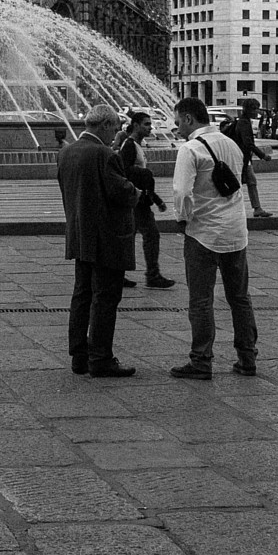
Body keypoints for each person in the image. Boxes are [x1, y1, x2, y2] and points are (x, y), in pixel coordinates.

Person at [167, 96, 257, 378]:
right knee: (239, 297)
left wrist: (182, 219)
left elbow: (182, 192)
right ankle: (247, 358)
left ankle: (201, 361)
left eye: (178, 121)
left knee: (201, 300)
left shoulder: (190, 149)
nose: (176, 127)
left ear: (190, 119)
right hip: (235, 232)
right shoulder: (231, 144)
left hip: (204, 233)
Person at [56, 104, 140, 378]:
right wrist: (137, 191)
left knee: (82, 295)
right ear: (103, 125)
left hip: (80, 234)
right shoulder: (104, 155)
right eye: (114, 129)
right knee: (105, 298)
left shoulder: (66, 152)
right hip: (107, 238)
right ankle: (101, 357)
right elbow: (121, 192)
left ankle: (79, 356)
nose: (115, 136)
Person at [117, 111, 176, 290]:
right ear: (135, 125)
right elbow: (124, 171)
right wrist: (146, 175)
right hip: (136, 201)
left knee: (133, 237)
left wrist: (156, 199)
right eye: (146, 124)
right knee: (149, 235)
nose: (150, 127)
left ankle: (120, 274)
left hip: (140, 200)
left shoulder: (135, 145)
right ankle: (151, 275)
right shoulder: (129, 145)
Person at [224, 99, 275, 221]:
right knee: (239, 184)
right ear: (249, 110)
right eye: (255, 109)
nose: (257, 111)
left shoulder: (244, 121)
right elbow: (248, 144)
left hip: (243, 159)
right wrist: (263, 155)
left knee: (251, 182)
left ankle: (257, 208)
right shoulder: (244, 123)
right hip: (241, 159)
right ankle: (233, 210)